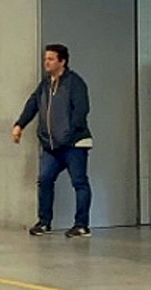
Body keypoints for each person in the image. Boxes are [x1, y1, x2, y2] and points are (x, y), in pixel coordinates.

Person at [12, 43, 93, 237]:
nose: (46, 62)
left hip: (73, 144)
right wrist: (19, 125)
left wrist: (69, 134)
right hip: (51, 145)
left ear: (62, 61)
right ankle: (44, 222)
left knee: (79, 182)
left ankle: (81, 225)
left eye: (50, 59)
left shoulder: (75, 83)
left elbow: (81, 110)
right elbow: (32, 104)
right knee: (45, 179)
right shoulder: (45, 85)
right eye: (45, 59)